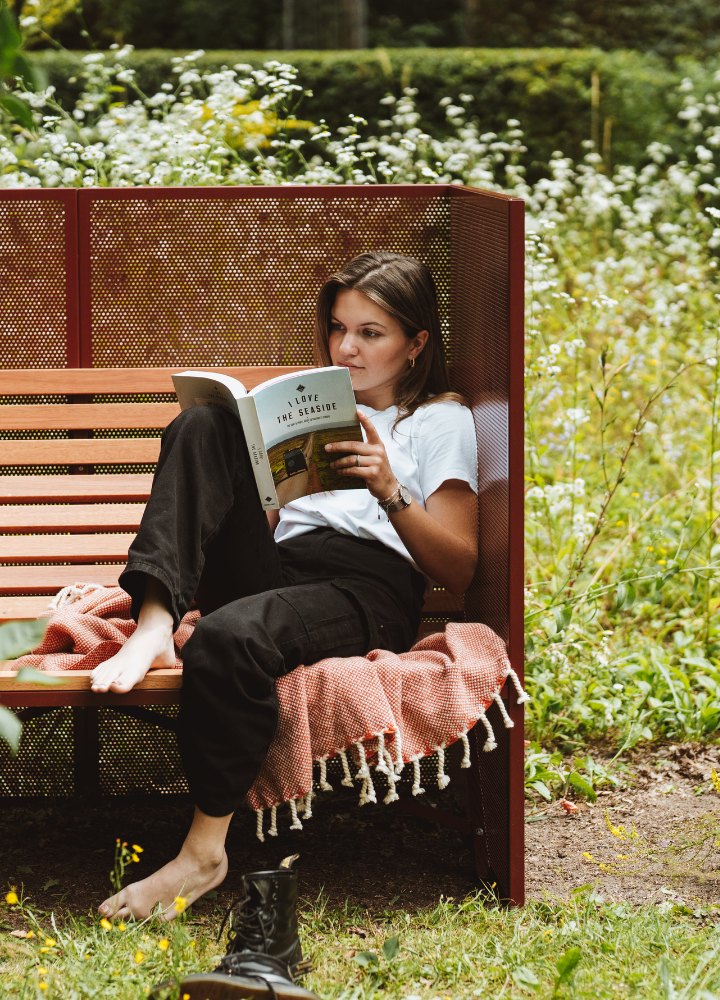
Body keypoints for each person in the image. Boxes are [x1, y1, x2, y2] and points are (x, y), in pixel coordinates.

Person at [89, 251, 480, 926]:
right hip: (284, 564)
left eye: (370, 333)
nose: (346, 348)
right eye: (338, 327)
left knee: (227, 636)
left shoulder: (438, 422)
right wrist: (257, 483)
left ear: (417, 344)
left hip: (365, 586)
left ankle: (203, 853)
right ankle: (156, 620)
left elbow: (460, 566)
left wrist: (388, 488)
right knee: (203, 424)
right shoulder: (317, 407)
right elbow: (262, 522)